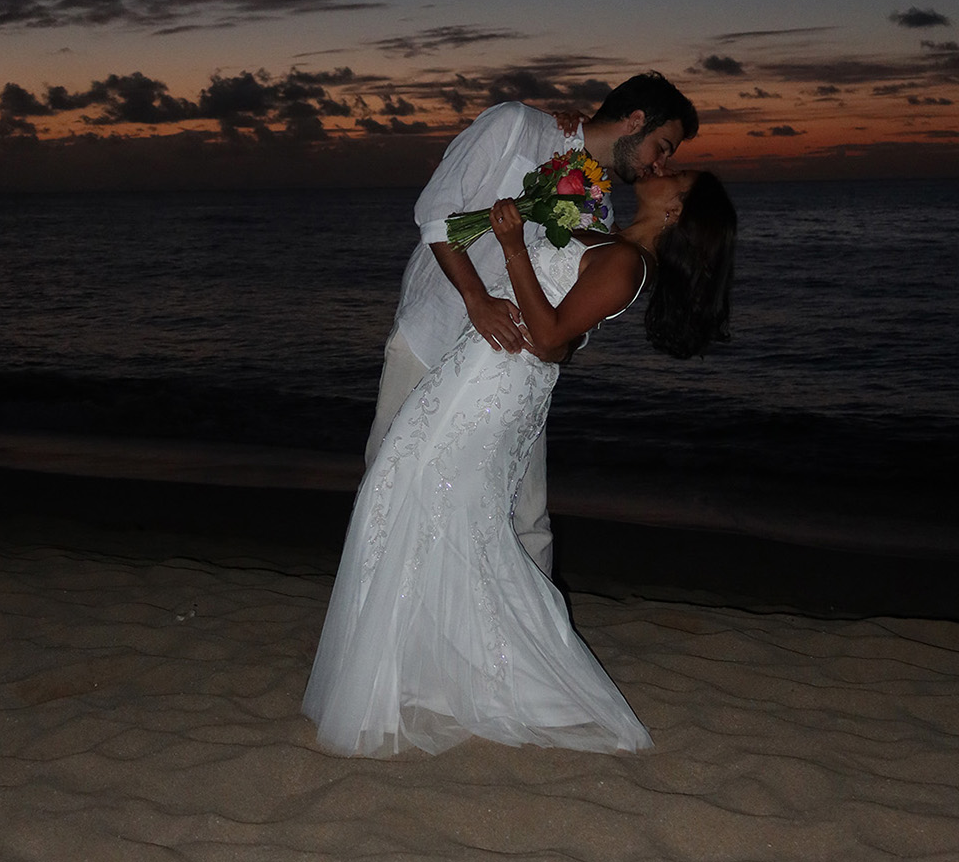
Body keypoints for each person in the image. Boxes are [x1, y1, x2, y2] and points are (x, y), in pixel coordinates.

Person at [303, 168, 736, 758]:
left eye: (672, 175)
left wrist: (512, 249)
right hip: (472, 369)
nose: (658, 171)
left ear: (678, 211)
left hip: (496, 389)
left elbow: (553, 337)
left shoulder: (630, 266)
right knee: (404, 494)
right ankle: (419, 667)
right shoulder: (604, 236)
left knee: (431, 504)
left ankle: (495, 674)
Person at [364, 72, 699, 574]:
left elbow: (571, 305)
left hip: (512, 366)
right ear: (634, 121)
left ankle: (529, 634)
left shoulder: (600, 208)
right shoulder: (516, 124)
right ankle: (379, 613)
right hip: (433, 336)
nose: (661, 162)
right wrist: (476, 299)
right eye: (663, 145)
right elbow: (435, 210)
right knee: (390, 478)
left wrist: (562, 345)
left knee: (525, 514)